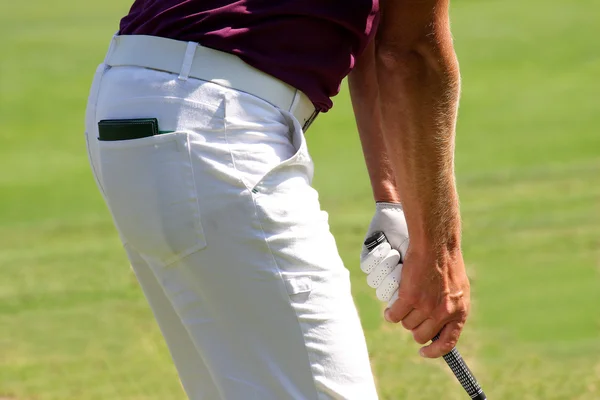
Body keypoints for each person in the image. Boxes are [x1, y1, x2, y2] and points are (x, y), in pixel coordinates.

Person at [84, 0, 471, 399]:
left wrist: (393, 203)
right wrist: (438, 251)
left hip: (132, 100)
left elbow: (378, 35)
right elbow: (411, 53)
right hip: (214, 124)